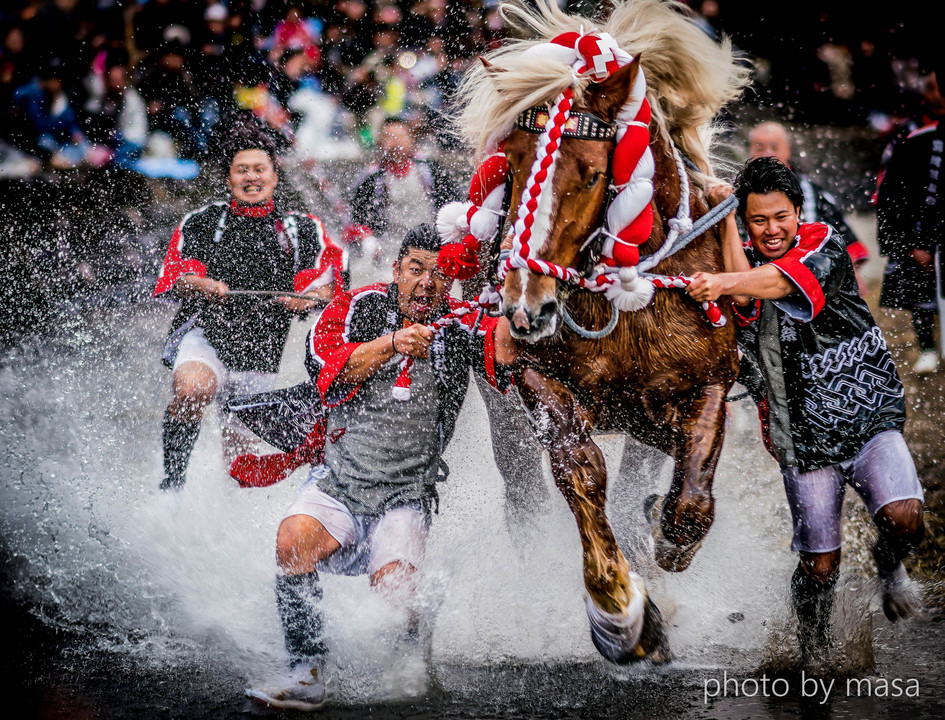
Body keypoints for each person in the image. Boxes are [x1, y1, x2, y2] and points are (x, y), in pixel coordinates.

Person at [245, 224, 518, 711]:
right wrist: (391, 343)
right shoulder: (359, 306)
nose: (427, 284)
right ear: (397, 270)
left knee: (396, 598)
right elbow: (324, 371)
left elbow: (509, 358)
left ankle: (411, 650)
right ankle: (306, 671)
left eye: (439, 275)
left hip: (405, 494)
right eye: (416, 270)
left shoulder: (461, 323)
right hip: (340, 479)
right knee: (292, 541)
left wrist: (512, 294)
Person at [685, 157, 925, 666]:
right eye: (757, 220)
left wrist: (722, 283)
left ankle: (889, 564)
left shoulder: (824, 242)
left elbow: (772, 283)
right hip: (801, 435)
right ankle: (813, 650)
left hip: (867, 415)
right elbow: (745, 288)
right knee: (819, 565)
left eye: (780, 217)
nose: (772, 230)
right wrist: (726, 220)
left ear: (798, 211)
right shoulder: (746, 261)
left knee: (904, 517)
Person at [154, 124, 348, 491]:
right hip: (205, 332)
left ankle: (227, 518)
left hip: (261, 349)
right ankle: (172, 483)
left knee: (240, 455)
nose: (251, 177)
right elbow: (176, 274)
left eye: (260, 169)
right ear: (229, 179)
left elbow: (329, 277)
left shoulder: (301, 228)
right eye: (242, 170)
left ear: (275, 178)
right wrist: (203, 284)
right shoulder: (202, 221)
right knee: (193, 391)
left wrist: (304, 296)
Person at [747, 120, 870, 296]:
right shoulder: (733, 195)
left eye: (774, 147)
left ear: (787, 150)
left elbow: (842, 240)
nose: (768, 154)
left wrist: (852, 275)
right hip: (753, 283)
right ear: (750, 150)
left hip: (807, 284)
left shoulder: (814, 194)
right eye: (760, 148)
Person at [875, 64, 945, 375]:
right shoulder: (909, 134)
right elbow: (889, 192)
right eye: (931, 88)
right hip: (916, 231)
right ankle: (927, 347)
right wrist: (909, 242)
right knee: (920, 295)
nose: (937, 95)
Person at [342, 116, 461, 268]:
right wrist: (368, 240)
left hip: (431, 243)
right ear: (380, 142)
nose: (395, 142)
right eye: (389, 137)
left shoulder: (430, 169)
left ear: (411, 139)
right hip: (391, 249)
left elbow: (452, 202)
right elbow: (356, 216)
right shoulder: (371, 177)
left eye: (400, 137)